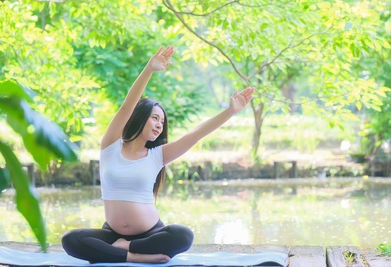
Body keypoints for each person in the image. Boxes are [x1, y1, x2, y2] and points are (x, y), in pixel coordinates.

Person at [61, 45, 255, 264]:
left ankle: (127, 249)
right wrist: (149, 70)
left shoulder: (157, 156)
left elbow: (196, 134)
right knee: (70, 240)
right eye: (154, 118)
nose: (159, 125)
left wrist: (230, 111)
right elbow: (126, 107)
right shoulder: (110, 146)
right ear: (140, 116)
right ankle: (134, 256)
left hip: (150, 235)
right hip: (112, 235)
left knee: (183, 236)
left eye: (162, 122)